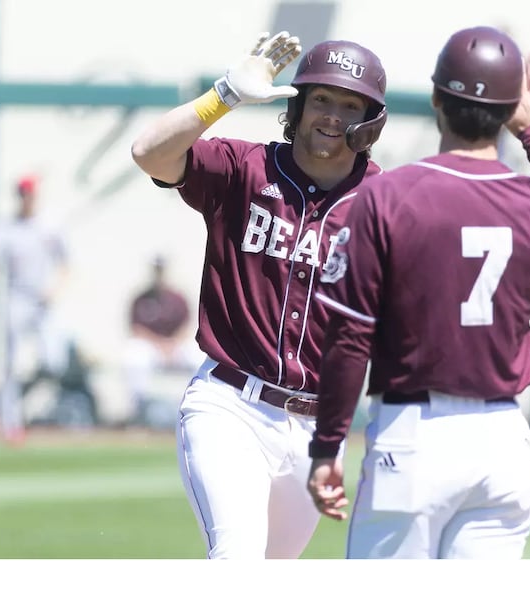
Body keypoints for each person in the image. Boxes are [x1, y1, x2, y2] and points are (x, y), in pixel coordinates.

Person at [305, 26, 530, 559]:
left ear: (437, 99)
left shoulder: (386, 195)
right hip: (504, 442)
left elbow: (349, 338)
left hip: (415, 437)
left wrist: (327, 445)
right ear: (509, 114)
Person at [129, 31, 389, 559]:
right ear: (297, 105)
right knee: (237, 558)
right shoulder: (243, 168)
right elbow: (148, 153)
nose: (332, 114)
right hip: (229, 405)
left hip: (315, 427)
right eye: (320, 98)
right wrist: (224, 94)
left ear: (370, 121)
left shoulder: (384, 201)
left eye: (348, 104)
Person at [0, 175, 72, 446]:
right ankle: (11, 425)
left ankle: (28, 403)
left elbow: (67, 264)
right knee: (9, 365)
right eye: (23, 194)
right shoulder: (4, 227)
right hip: (16, 298)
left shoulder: (51, 225)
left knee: (54, 361)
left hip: (43, 301)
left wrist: (55, 288)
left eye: (30, 194)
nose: (27, 199)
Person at [121, 255, 206, 425]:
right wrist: (159, 344)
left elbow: (187, 325)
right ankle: (139, 411)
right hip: (152, 347)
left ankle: (197, 406)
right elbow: (136, 328)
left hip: (175, 346)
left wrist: (171, 344)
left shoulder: (177, 297)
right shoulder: (141, 297)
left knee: (199, 356)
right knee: (133, 356)